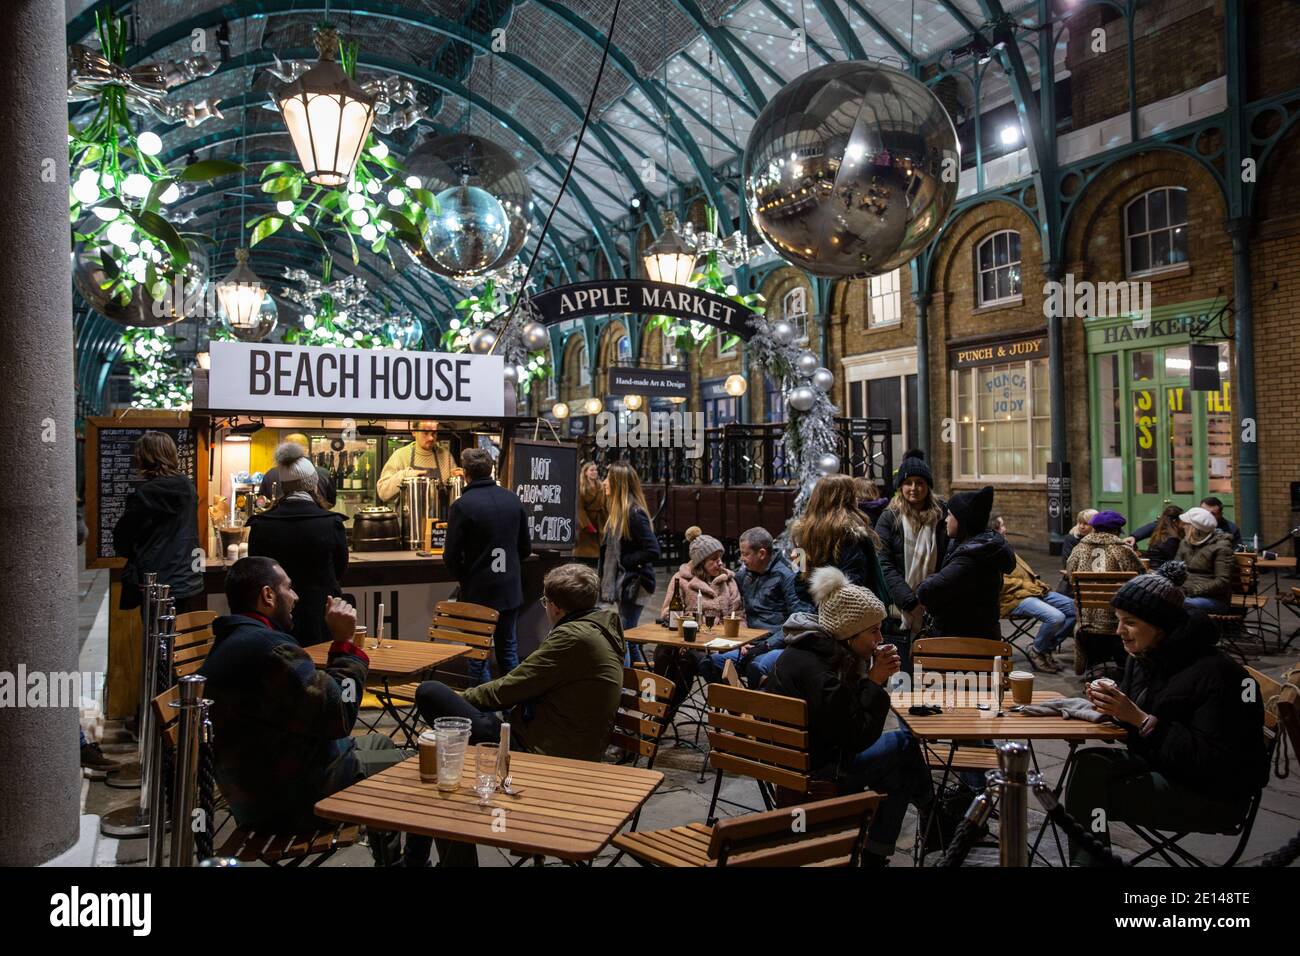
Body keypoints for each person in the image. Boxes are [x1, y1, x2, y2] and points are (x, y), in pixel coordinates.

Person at [198, 557, 419, 866]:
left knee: (380, 743)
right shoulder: (271, 650)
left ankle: (391, 862)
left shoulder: (238, 640)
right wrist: (344, 644)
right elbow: (340, 716)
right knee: (424, 770)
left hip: (261, 788)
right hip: (289, 802)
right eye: (288, 588)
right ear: (268, 595)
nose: (296, 597)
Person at [414, 563, 626, 866]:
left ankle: (415, 861)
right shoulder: (598, 629)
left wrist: (461, 700)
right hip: (562, 741)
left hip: (545, 753)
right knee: (443, 761)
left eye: (544, 602)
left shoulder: (573, 639)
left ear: (554, 606)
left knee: (431, 695)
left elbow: (506, 690)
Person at [1064, 562, 1267, 866]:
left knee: (1086, 792)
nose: (1119, 632)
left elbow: (1217, 763)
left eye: (1129, 622)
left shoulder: (1220, 675)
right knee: (1088, 764)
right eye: (1118, 620)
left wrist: (1141, 720)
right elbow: (1142, 717)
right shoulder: (1146, 657)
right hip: (1167, 769)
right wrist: (1112, 706)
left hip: (1212, 796)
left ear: (1161, 626)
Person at [767, 566, 938, 866]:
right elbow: (858, 736)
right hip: (821, 773)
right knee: (904, 748)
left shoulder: (806, 652)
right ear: (848, 633)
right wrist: (874, 681)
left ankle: (919, 826)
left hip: (800, 763)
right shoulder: (819, 672)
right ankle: (932, 816)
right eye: (873, 630)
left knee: (899, 769)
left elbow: (842, 717)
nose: (880, 637)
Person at [441, 447, 532, 682]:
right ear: (490, 470)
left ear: (464, 474)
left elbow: (450, 557)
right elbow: (525, 549)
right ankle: (513, 711)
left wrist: (465, 578)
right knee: (509, 652)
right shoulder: (512, 499)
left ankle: (483, 713)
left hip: (478, 593)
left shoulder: (462, 506)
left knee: (477, 657)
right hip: (509, 591)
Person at [247, 442, 349, 647]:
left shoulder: (261, 524)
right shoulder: (332, 523)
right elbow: (340, 569)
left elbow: (255, 571)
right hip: (321, 616)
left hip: (276, 618)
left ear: (283, 486)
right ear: (313, 484)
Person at [699, 526, 811, 687]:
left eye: (745, 554)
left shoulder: (786, 576)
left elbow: (798, 621)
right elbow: (728, 594)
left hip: (777, 645)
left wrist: (766, 645)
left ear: (762, 554)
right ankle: (737, 710)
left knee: (756, 667)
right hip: (749, 643)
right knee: (708, 663)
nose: (741, 559)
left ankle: (754, 709)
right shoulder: (745, 575)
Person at [113, 431, 204, 619]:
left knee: (155, 641)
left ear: (145, 457)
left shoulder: (145, 495)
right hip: (186, 578)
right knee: (178, 639)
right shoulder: (188, 487)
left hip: (157, 582)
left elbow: (122, 541)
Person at [914, 486, 1014, 641]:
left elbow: (926, 591)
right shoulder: (979, 547)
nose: (946, 519)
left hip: (962, 641)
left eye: (949, 515)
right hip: (978, 636)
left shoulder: (969, 559)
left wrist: (929, 579)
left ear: (962, 521)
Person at [874, 450, 948, 659]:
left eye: (919, 483)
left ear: (928, 486)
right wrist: (909, 600)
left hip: (934, 604)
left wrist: (930, 593)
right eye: (908, 483)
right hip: (900, 609)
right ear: (901, 487)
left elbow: (948, 558)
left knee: (932, 668)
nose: (913, 488)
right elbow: (883, 562)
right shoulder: (889, 517)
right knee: (902, 672)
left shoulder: (941, 515)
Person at [791, 473, 890, 610]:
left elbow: (799, 580)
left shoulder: (801, 535)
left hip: (820, 613)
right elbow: (858, 582)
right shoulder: (852, 535)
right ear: (848, 499)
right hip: (856, 617)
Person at [1064, 510, 1145, 674]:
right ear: (1116, 530)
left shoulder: (1080, 548)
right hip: (1116, 621)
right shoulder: (1123, 550)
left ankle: (1093, 668)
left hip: (1087, 621)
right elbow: (1140, 578)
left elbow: (1070, 576)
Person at [992, 515, 1076, 673]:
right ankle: (1037, 650)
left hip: (1031, 591)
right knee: (1056, 617)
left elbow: (1023, 573)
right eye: (1002, 526)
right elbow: (1000, 584)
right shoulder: (989, 551)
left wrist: (1035, 585)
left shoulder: (1004, 545)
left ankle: (1044, 648)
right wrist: (1029, 586)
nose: (1005, 529)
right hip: (1012, 599)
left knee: (1075, 609)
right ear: (993, 529)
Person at [598, 461, 661, 663]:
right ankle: (640, 682)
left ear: (618, 484)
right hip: (623, 582)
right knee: (628, 637)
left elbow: (653, 550)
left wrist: (626, 561)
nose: (604, 482)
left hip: (634, 583)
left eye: (608, 478)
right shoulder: (619, 513)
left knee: (624, 638)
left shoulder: (634, 514)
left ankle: (629, 685)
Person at [376, 420, 460, 503]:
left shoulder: (446, 456)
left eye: (434, 433)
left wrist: (461, 479)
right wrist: (405, 475)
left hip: (439, 516)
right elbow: (383, 493)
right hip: (409, 515)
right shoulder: (401, 455)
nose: (431, 438)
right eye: (425, 433)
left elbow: (456, 493)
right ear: (414, 432)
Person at [1174, 506, 1234, 614]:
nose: (1182, 526)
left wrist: (1191, 591)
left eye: (1186, 524)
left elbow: (1222, 582)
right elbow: (1175, 569)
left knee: (1181, 604)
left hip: (1214, 599)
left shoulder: (1221, 547)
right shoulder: (1185, 543)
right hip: (1185, 594)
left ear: (1194, 528)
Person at [1126, 497, 1242, 550]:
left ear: (1220, 513)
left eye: (1212, 514)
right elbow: (1159, 524)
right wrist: (1135, 536)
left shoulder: (1230, 529)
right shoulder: (1189, 523)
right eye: (1203, 511)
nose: (1206, 515)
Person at [258, 431, 336, 507]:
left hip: (277, 518)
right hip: (318, 518)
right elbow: (331, 503)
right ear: (307, 450)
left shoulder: (270, 474)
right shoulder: (324, 474)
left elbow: (262, 503)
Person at [574, 461, 607, 565]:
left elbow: (605, 506)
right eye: (591, 470)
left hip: (599, 521)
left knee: (598, 551)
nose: (594, 472)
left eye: (596, 470)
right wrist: (586, 525)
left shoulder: (601, 486)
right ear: (585, 472)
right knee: (585, 551)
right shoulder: (581, 488)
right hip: (586, 523)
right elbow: (579, 508)